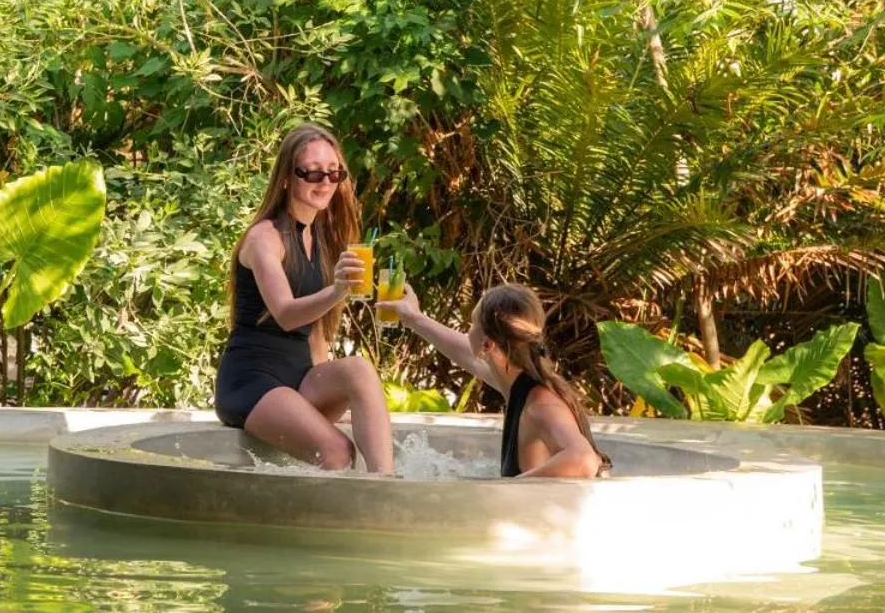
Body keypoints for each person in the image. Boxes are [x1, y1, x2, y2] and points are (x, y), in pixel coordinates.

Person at [214, 124, 394, 473]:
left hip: (298, 381)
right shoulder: (264, 238)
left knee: (357, 368)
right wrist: (338, 290)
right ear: (286, 178)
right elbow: (285, 314)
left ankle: (386, 484)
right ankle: (333, 524)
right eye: (311, 172)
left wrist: (326, 396)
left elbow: (316, 332)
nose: (324, 181)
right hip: (253, 381)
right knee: (338, 451)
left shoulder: (320, 238)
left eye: (333, 172)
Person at [384, 282, 609, 479]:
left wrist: (507, 488)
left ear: (488, 345)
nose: (467, 331)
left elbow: (584, 460)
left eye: (472, 325)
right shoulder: (520, 383)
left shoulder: (540, 405)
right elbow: (465, 353)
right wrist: (413, 318)